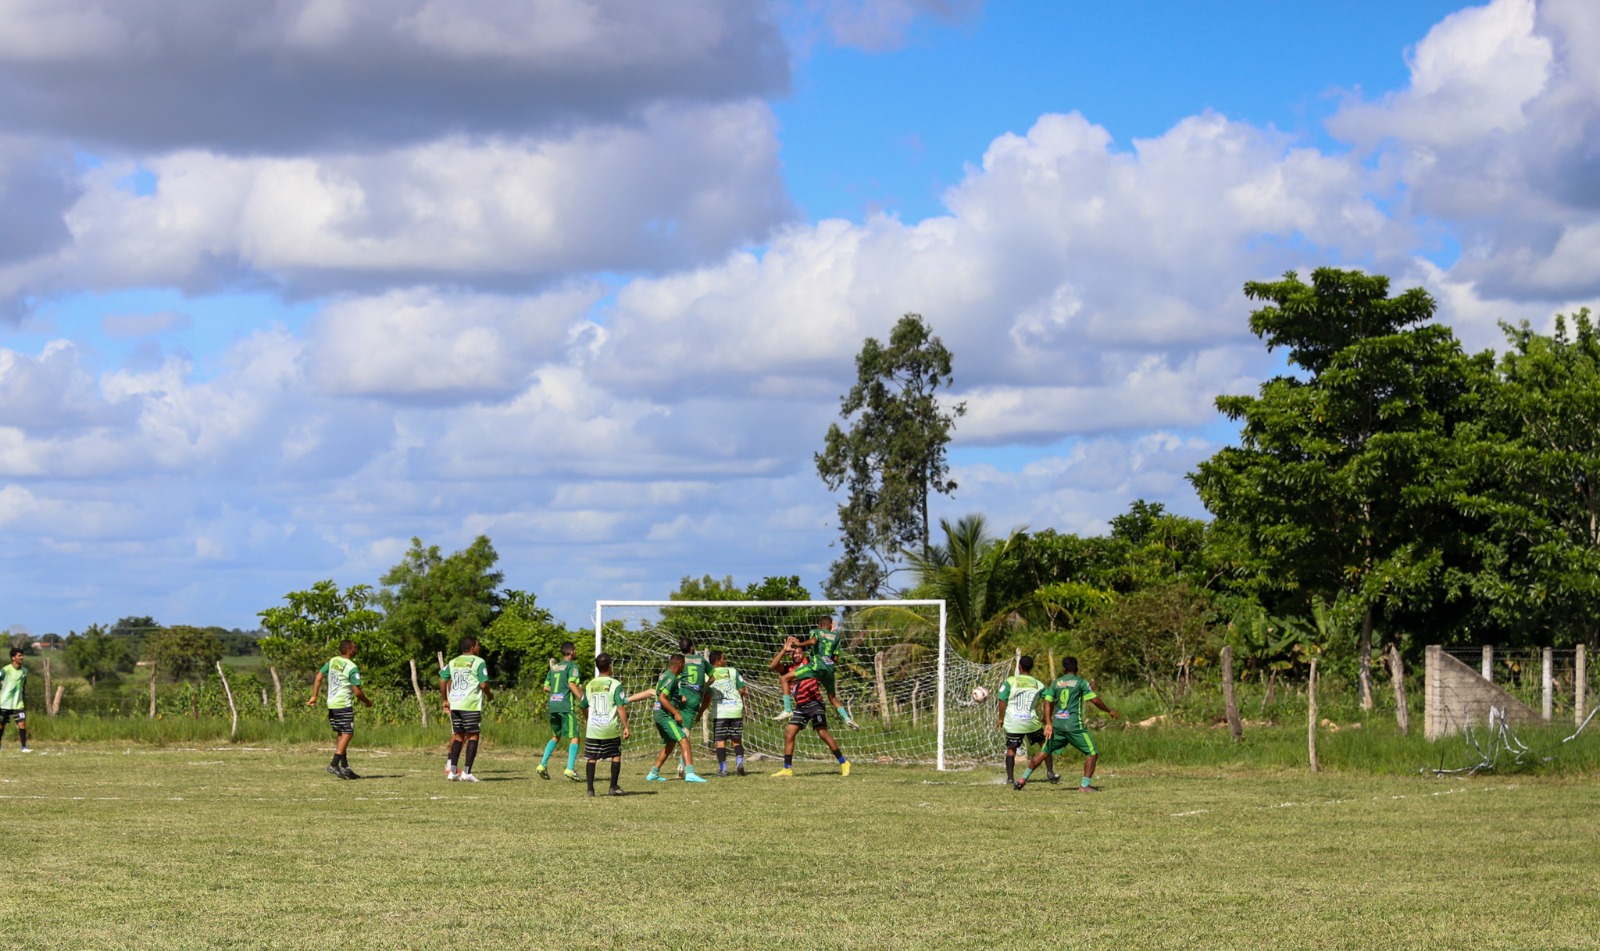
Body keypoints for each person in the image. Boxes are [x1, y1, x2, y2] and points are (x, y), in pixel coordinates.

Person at [1016, 657, 1118, 792]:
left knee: (1044, 751)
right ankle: (1085, 785)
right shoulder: (1080, 682)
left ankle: (1022, 779)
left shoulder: (1056, 683)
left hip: (1057, 725)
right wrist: (1109, 710)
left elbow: (1048, 701)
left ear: (1063, 669)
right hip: (1074, 726)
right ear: (1077, 668)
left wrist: (1048, 723)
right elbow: (1094, 700)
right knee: (1092, 753)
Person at [770, 643, 849, 778]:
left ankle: (844, 762)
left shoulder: (810, 663)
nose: (797, 655)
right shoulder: (788, 669)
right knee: (789, 733)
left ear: (803, 654)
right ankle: (787, 769)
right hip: (800, 707)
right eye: (794, 653)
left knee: (823, 733)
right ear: (790, 655)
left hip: (815, 704)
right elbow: (772, 666)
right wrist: (784, 650)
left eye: (799, 653)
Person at [306, 639, 373, 779]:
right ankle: (334, 764)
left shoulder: (333, 661)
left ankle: (345, 767)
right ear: (349, 650)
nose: (356, 650)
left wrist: (314, 696)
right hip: (343, 704)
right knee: (348, 733)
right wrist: (368, 702)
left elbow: (319, 676)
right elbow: (357, 692)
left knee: (342, 734)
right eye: (354, 648)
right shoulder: (352, 667)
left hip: (331, 703)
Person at [781, 616, 860, 729]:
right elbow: (836, 659)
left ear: (819, 625)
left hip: (816, 666)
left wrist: (798, 645)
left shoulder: (815, 631)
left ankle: (787, 710)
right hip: (829, 669)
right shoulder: (836, 637)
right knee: (832, 697)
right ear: (830, 625)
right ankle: (847, 718)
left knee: (784, 679)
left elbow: (813, 641)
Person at [643, 654, 707, 783]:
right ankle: (690, 773)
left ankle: (653, 773)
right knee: (684, 740)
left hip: (658, 714)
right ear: (681, 664)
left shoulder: (665, 675)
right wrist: (676, 713)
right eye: (684, 665)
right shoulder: (671, 678)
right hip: (665, 715)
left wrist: (678, 698)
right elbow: (662, 697)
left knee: (671, 743)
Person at [995, 655, 1057, 786]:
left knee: (1012, 749)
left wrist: (1001, 718)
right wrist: (1047, 718)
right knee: (1045, 745)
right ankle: (1050, 772)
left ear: (1019, 667)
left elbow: (1001, 699)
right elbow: (1050, 699)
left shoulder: (1011, 681)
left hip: (1013, 722)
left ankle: (1010, 778)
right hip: (1031, 722)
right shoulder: (1038, 684)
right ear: (1031, 668)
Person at [441, 636, 494, 782]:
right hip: (470, 704)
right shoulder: (479, 662)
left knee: (458, 736)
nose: (479, 648)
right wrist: (490, 694)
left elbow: (442, 679)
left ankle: (452, 772)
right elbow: (484, 685)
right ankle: (467, 772)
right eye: (478, 645)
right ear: (472, 648)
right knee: (473, 736)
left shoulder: (453, 661)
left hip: (455, 703)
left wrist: (445, 699)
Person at [579, 653, 631, 797]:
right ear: (609, 666)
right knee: (615, 754)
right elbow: (620, 707)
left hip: (593, 729)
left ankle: (590, 789)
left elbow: (582, 705)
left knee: (592, 757)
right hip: (609, 728)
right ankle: (613, 787)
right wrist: (626, 726)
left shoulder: (590, 684)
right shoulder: (615, 684)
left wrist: (588, 718)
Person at [538, 642, 584, 782]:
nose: (576, 651)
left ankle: (542, 765)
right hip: (565, 707)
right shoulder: (572, 667)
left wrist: (556, 691)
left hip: (553, 706)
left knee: (556, 736)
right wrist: (582, 698)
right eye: (575, 649)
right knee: (575, 736)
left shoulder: (554, 668)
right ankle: (570, 768)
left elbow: (546, 688)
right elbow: (571, 684)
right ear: (571, 652)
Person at [707, 650, 748, 776]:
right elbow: (742, 690)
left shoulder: (708, 674)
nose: (725, 661)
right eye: (724, 658)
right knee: (736, 740)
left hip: (721, 712)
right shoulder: (733, 671)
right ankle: (739, 763)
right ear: (718, 660)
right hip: (736, 709)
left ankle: (723, 769)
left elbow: (706, 693)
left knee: (720, 741)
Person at [0, 649, 29, 753]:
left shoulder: (25, 671)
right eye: (20, 655)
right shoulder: (5, 670)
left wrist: (24, 700)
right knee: (1, 725)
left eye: (22, 655)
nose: (22, 657)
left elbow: (23, 686)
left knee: (22, 724)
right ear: (13, 658)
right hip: (4, 703)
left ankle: (24, 747)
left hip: (18, 703)